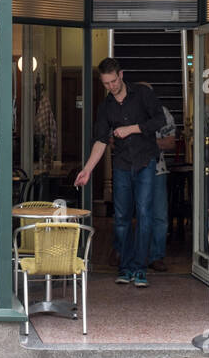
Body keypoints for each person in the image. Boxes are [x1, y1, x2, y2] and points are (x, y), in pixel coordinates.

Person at [75, 59, 166, 288]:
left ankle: (140, 269)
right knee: (122, 218)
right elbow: (100, 140)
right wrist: (87, 169)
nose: (111, 87)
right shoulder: (106, 107)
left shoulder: (143, 94)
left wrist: (132, 128)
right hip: (122, 165)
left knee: (145, 214)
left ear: (121, 75)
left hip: (145, 161)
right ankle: (125, 268)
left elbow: (159, 120)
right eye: (106, 83)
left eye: (113, 81)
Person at [136, 82, 176, 273]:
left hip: (158, 169)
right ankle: (134, 255)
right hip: (133, 169)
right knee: (134, 213)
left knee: (160, 215)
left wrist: (144, 142)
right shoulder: (129, 112)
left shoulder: (163, 112)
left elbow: (170, 142)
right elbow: (114, 139)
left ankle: (156, 256)